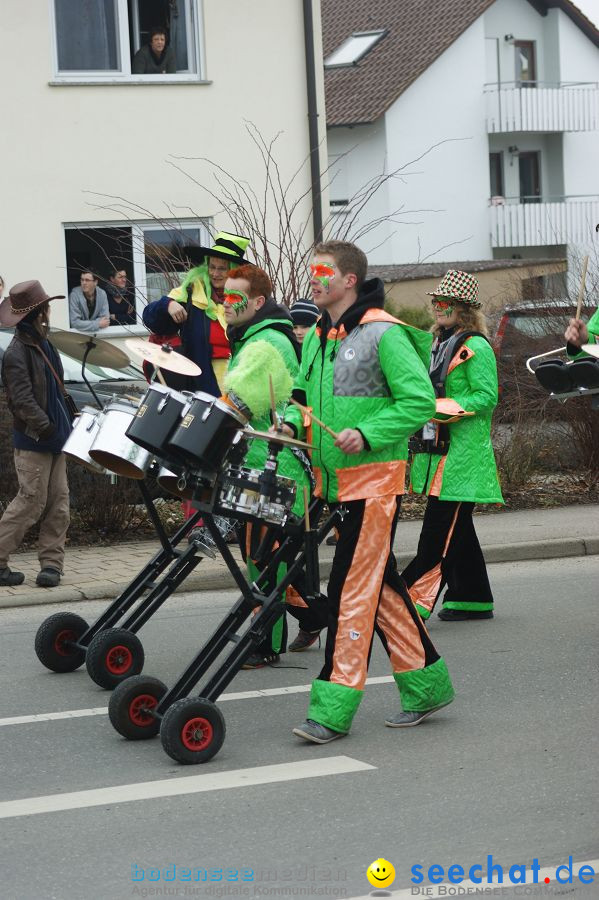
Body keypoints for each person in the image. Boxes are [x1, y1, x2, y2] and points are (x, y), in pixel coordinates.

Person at [282, 240, 455, 744]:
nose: (313, 278)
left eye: (322, 271)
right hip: (331, 484)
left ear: (349, 279)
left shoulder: (382, 332)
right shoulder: (317, 335)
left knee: (351, 592)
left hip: (375, 485)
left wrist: (369, 433)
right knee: (381, 591)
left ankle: (332, 708)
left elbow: (421, 401)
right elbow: (301, 397)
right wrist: (292, 423)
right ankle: (427, 687)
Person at [219, 264, 314, 668]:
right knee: (266, 557)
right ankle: (316, 616)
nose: (226, 305)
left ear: (258, 303)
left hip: (273, 469)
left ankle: (264, 643)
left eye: (235, 298)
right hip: (265, 464)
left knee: (262, 560)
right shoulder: (256, 337)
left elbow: (237, 405)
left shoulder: (263, 345)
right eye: (223, 296)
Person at [402, 270, 503, 622]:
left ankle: (407, 604)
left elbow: (486, 397)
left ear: (463, 308)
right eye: (435, 302)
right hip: (440, 454)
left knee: (437, 536)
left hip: (462, 458)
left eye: (444, 302)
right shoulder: (437, 344)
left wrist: (440, 409)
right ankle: (471, 597)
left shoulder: (475, 346)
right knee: (458, 530)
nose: (437, 308)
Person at [0, 280, 72, 588]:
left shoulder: (43, 343)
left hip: (55, 438)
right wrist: (47, 429)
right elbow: (21, 401)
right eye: (46, 306)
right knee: (30, 502)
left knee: (59, 503)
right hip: (35, 440)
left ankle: (52, 565)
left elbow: (55, 390)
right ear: (39, 311)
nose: (49, 310)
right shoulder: (17, 352)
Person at [142, 232, 251, 396]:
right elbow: (151, 318)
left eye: (222, 269)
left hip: (241, 383)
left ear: (234, 271)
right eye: (212, 267)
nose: (215, 273)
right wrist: (168, 305)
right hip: (202, 385)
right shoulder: (192, 293)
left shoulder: (248, 300)